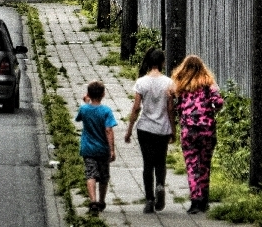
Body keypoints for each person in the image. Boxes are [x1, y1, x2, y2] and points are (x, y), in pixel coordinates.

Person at [123, 48, 174, 213]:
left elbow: (136, 107)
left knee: (147, 164)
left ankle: (149, 200)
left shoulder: (141, 82)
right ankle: (160, 185)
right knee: (161, 161)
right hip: (162, 128)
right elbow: (170, 108)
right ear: (161, 63)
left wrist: (129, 129)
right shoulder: (168, 83)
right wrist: (173, 129)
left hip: (145, 128)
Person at [171, 54, 225, 214]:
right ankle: (204, 200)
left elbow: (175, 106)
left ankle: (195, 200)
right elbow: (219, 102)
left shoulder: (180, 86)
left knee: (192, 165)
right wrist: (211, 110)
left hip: (188, 131)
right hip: (207, 130)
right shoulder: (209, 85)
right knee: (205, 165)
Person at [76, 80, 117, 215]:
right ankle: (101, 200)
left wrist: (86, 102)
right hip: (102, 150)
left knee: (90, 174)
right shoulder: (106, 111)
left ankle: (92, 200)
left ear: (88, 93)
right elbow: (108, 130)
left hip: (88, 148)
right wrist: (112, 149)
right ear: (103, 94)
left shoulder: (84, 109)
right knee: (104, 176)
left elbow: (79, 118)